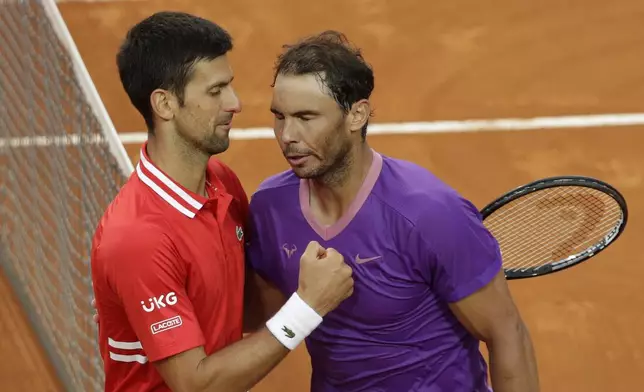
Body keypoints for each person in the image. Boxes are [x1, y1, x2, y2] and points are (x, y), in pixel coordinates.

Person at [243, 31, 541, 391]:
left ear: (356, 115)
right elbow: (262, 315)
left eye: (306, 117)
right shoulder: (270, 208)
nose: (287, 135)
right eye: (280, 116)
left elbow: (506, 333)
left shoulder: (428, 213)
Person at [90, 12, 354, 392]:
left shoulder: (220, 184)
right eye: (215, 91)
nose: (235, 103)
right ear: (165, 104)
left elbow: (240, 307)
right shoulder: (137, 239)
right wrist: (307, 306)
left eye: (229, 86)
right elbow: (196, 384)